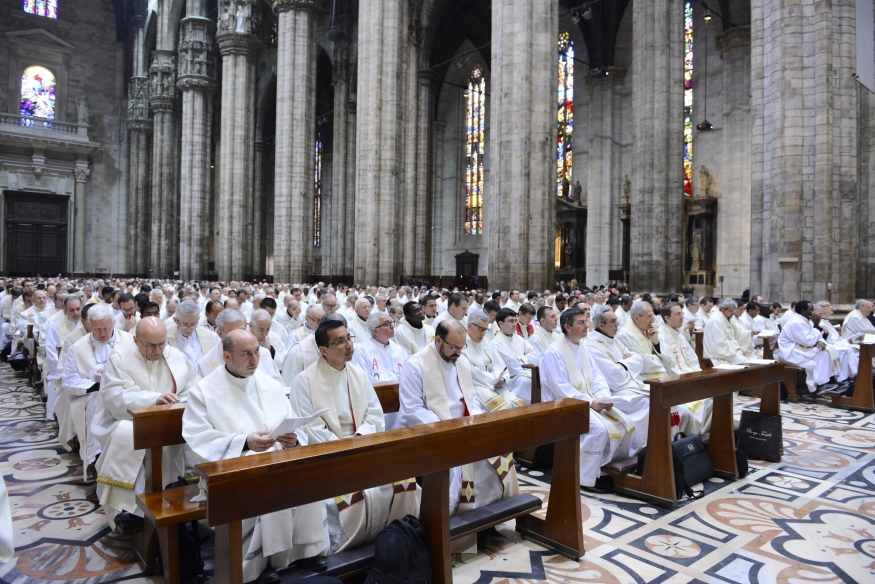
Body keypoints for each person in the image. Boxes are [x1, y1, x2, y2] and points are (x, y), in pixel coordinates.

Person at [183, 329, 329, 582]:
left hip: (276, 458)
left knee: (307, 477)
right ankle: (257, 563)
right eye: (246, 354)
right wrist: (244, 442)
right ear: (226, 356)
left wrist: (292, 439)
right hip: (232, 467)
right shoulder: (204, 391)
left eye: (256, 352)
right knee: (261, 483)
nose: (254, 360)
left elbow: (291, 422)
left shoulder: (269, 384)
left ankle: (303, 551)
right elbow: (198, 437)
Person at [292, 319, 420, 553]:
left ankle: (398, 540)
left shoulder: (358, 374)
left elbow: (374, 412)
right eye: (340, 342)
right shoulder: (305, 381)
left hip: (364, 445)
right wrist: (345, 447)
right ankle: (351, 550)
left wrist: (361, 437)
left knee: (405, 480)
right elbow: (309, 426)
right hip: (331, 454)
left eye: (348, 338)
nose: (349, 345)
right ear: (323, 350)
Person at [399, 320, 519, 529]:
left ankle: (488, 519)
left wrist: (477, 421)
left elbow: (470, 399)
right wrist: (448, 429)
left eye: (462, 348)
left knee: (500, 454)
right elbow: (412, 409)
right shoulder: (416, 364)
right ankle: (457, 525)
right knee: (457, 466)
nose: (458, 353)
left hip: (465, 426)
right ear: (438, 340)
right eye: (453, 347)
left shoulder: (460, 361)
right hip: (434, 431)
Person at [92, 317, 200, 530]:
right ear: (136, 340)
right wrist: (153, 399)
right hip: (128, 420)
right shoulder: (119, 359)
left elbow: (193, 388)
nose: (157, 351)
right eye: (150, 346)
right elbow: (115, 396)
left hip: (170, 422)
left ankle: (178, 495)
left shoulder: (176, 357)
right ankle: (130, 508)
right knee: (127, 434)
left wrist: (181, 401)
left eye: (162, 344)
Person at [539, 308, 635, 487]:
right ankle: (584, 476)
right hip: (563, 405)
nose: (586, 325)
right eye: (581, 322)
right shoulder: (554, 352)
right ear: (567, 327)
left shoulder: (582, 346)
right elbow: (560, 389)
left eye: (586, 321)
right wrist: (591, 402)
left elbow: (597, 376)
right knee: (600, 429)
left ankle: (606, 469)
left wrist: (603, 397)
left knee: (626, 423)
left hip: (586, 400)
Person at [62, 304, 134, 479]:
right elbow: (69, 381)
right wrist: (94, 383)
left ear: (114, 323)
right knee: (97, 400)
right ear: (88, 325)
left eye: (106, 328)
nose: (102, 333)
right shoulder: (77, 348)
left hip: (124, 392)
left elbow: (138, 369)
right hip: (92, 394)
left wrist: (112, 373)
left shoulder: (129, 341)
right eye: (97, 329)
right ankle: (96, 458)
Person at [584, 306, 654, 450]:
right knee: (648, 402)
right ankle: (641, 448)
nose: (617, 324)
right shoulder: (593, 346)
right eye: (613, 321)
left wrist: (621, 364)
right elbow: (614, 378)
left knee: (660, 394)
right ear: (601, 325)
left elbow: (638, 360)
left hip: (631, 385)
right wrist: (626, 362)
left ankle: (661, 443)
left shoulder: (614, 340)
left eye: (617, 320)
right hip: (614, 392)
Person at [658, 303, 712, 434]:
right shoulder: (661, 336)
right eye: (678, 314)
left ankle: (702, 433)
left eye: (682, 313)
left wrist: (697, 374)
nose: (682, 317)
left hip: (689, 377)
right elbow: (669, 366)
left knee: (714, 396)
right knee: (705, 399)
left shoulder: (679, 334)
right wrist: (689, 378)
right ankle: (689, 436)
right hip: (678, 381)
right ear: (667, 318)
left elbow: (692, 359)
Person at [198, 309, 283, 383]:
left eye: (242, 330)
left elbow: (278, 386)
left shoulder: (264, 353)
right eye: (233, 332)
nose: (239, 335)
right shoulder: (205, 364)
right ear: (220, 334)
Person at [462, 309, 523, 411]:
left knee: (519, 404)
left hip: (494, 384)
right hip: (477, 386)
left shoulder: (486, 342)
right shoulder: (462, 345)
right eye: (480, 329)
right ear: (469, 326)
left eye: (485, 330)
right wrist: (494, 380)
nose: (483, 334)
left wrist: (501, 378)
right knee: (505, 407)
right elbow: (472, 372)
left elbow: (497, 364)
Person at [778, 300, 841, 395]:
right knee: (822, 354)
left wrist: (821, 341)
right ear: (803, 311)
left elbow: (816, 337)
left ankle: (830, 380)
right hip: (790, 353)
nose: (814, 312)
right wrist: (816, 325)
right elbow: (809, 341)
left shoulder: (805, 319)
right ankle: (819, 385)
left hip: (800, 349)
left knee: (829, 349)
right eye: (811, 310)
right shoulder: (795, 322)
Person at [44, 295, 82, 421]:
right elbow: (51, 351)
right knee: (58, 382)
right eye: (71, 310)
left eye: (78, 309)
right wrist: (66, 370)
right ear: (65, 311)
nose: (76, 313)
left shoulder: (87, 326)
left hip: (83, 370)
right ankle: (59, 417)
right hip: (62, 371)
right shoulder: (55, 327)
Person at [491, 308, 537, 403]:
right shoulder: (496, 343)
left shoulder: (519, 338)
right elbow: (512, 366)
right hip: (511, 380)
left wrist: (519, 359)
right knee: (527, 381)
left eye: (515, 320)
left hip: (525, 373)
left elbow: (535, 356)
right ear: (501, 323)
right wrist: (525, 357)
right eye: (511, 321)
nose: (515, 324)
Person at [352, 313, 408, 382]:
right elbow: (363, 378)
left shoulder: (399, 350)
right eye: (386, 324)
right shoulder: (362, 351)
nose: (392, 326)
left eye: (392, 322)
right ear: (375, 331)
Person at [166, 299, 218, 368]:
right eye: (185, 324)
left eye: (193, 324)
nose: (189, 329)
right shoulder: (164, 337)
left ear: (198, 320)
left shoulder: (211, 336)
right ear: (176, 320)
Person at [703, 298, 749, 365]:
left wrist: (737, 349)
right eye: (730, 311)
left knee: (745, 357)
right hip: (717, 354)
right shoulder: (716, 321)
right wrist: (736, 348)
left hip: (726, 352)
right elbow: (720, 344)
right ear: (723, 310)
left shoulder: (726, 318)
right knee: (745, 361)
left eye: (733, 310)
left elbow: (731, 336)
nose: (733, 313)